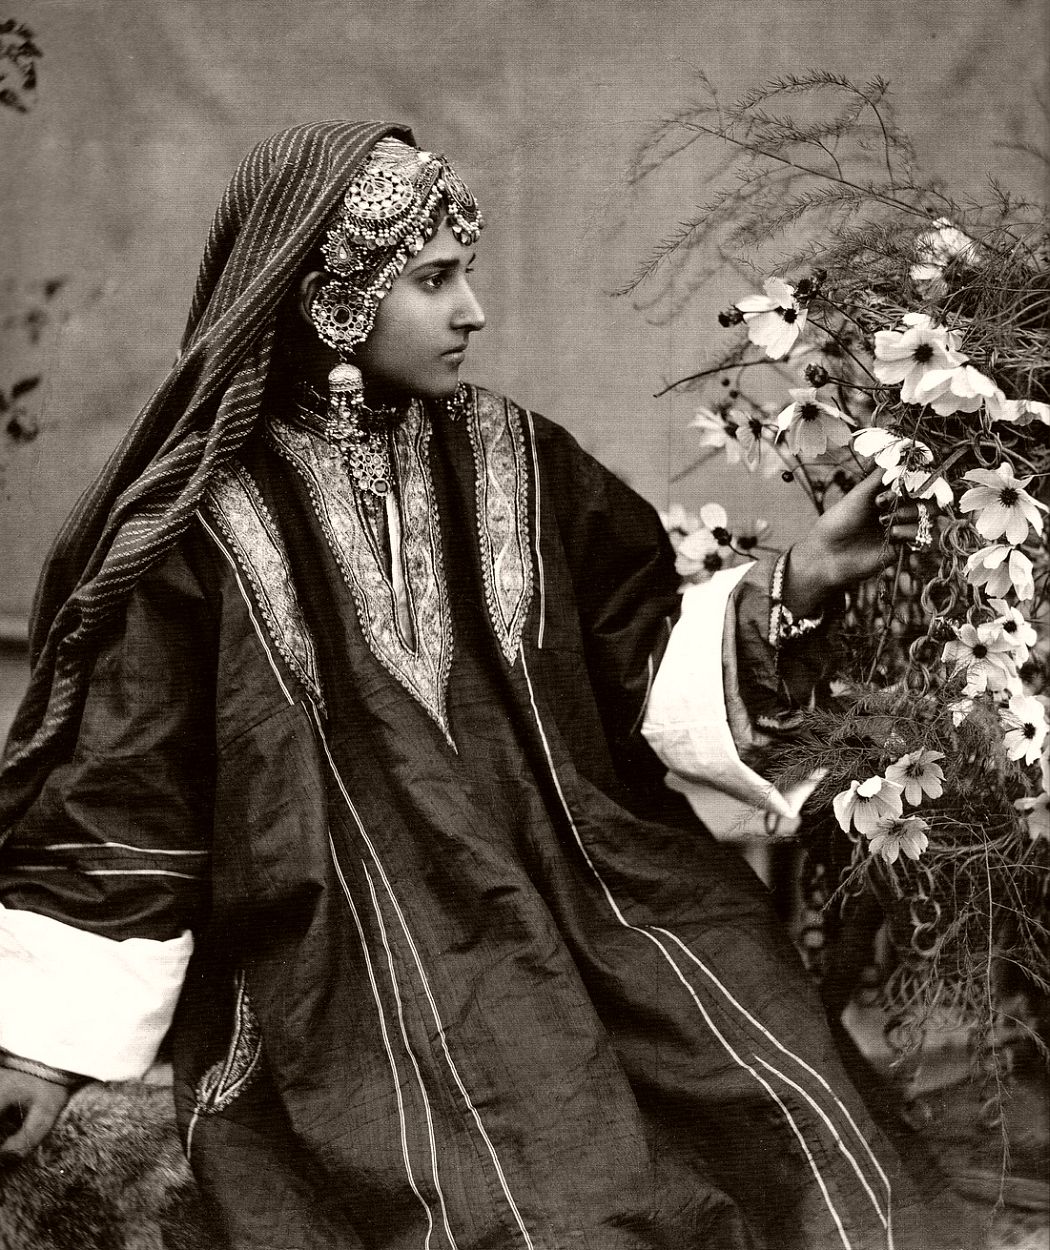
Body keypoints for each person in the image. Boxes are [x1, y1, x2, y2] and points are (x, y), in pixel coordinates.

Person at [0, 121, 956, 1250]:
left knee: (792, 1103)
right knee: (539, 1192)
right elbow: (130, 790)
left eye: (468, 273)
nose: (474, 311)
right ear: (331, 300)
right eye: (432, 278)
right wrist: (38, 1050)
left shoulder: (519, 452)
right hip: (348, 946)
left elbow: (636, 653)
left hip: (592, 883)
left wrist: (805, 573)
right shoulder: (202, 527)